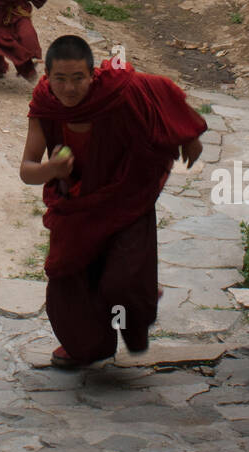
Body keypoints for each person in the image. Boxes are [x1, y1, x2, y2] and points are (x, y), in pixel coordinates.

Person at [20, 35, 206, 366]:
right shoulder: (45, 104)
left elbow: (160, 89)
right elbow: (27, 170)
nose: (70, 88)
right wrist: (50, 168)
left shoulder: (116, 89)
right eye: (60, 79)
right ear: (47, 77)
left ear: (93, 75)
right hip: (76, 209)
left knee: (123, 283)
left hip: (125, 198)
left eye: (79, 78)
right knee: (67, 280)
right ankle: (88, 346)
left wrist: (188, 133)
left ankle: (140, 301)